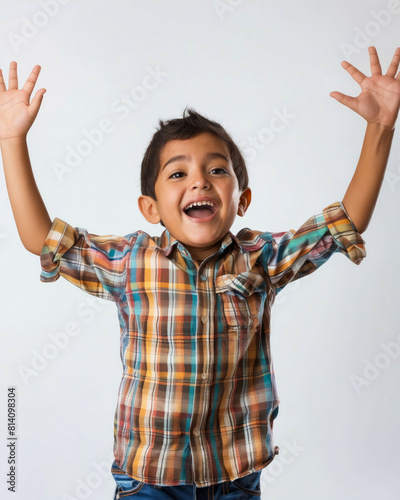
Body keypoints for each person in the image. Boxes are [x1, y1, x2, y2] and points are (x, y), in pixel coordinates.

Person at [1, 46, 399, 500]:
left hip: (237, 474)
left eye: (216, 169)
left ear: (241, 200)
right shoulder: (131, 261)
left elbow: (344, 222)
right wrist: (11, 141)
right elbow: (41, 238)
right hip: (150, 476)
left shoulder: (262, 258)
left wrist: (381, 126)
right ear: (150, 208)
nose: (199, 181)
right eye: (178, 173)